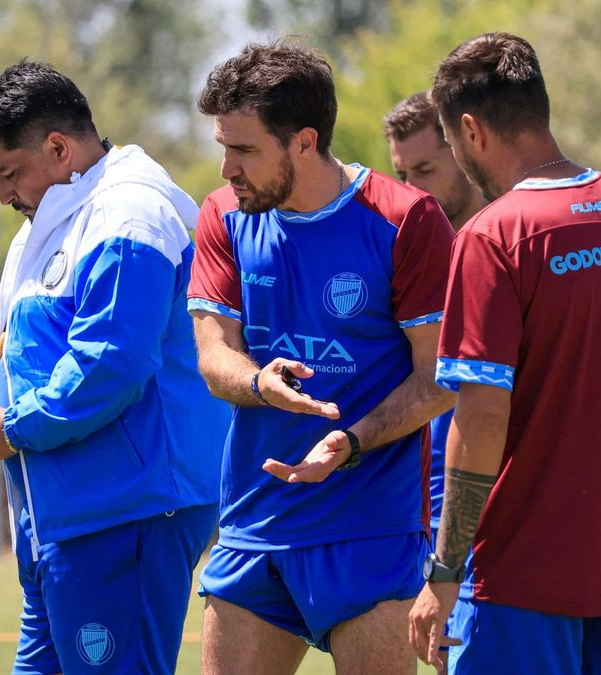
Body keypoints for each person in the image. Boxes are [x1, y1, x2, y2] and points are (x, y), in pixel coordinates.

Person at [407, 33, 601, 674]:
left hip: (518, 583)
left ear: (470, 129)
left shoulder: (493, 237)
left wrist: (443, 572)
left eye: (454, 146)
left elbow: (482, 416)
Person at [0, 60, 229, 675]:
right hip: (66, 518)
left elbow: (111, 363)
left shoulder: (129, 211)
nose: (4, 195)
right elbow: (26, 358)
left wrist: (12, 429)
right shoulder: (52, 220)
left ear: (57, 147)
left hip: (126, 511)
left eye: (8, 173)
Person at [189, 41, 457, 674]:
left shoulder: (404, 220)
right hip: (255, 527)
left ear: (304, 142)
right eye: (223, 147)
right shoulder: (223, 216)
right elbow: (212, 354)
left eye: (245, 149)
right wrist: (257, 381)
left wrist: (353, 441)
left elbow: (440, 376)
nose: (228, 168)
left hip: (370, 532)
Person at [383, 91, 487, 539]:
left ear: (465, 149)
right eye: (402, 174)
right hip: (418, 504)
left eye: (425, 171)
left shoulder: (510, 248)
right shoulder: (399, 255)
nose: (412, 189)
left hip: (497, 492)